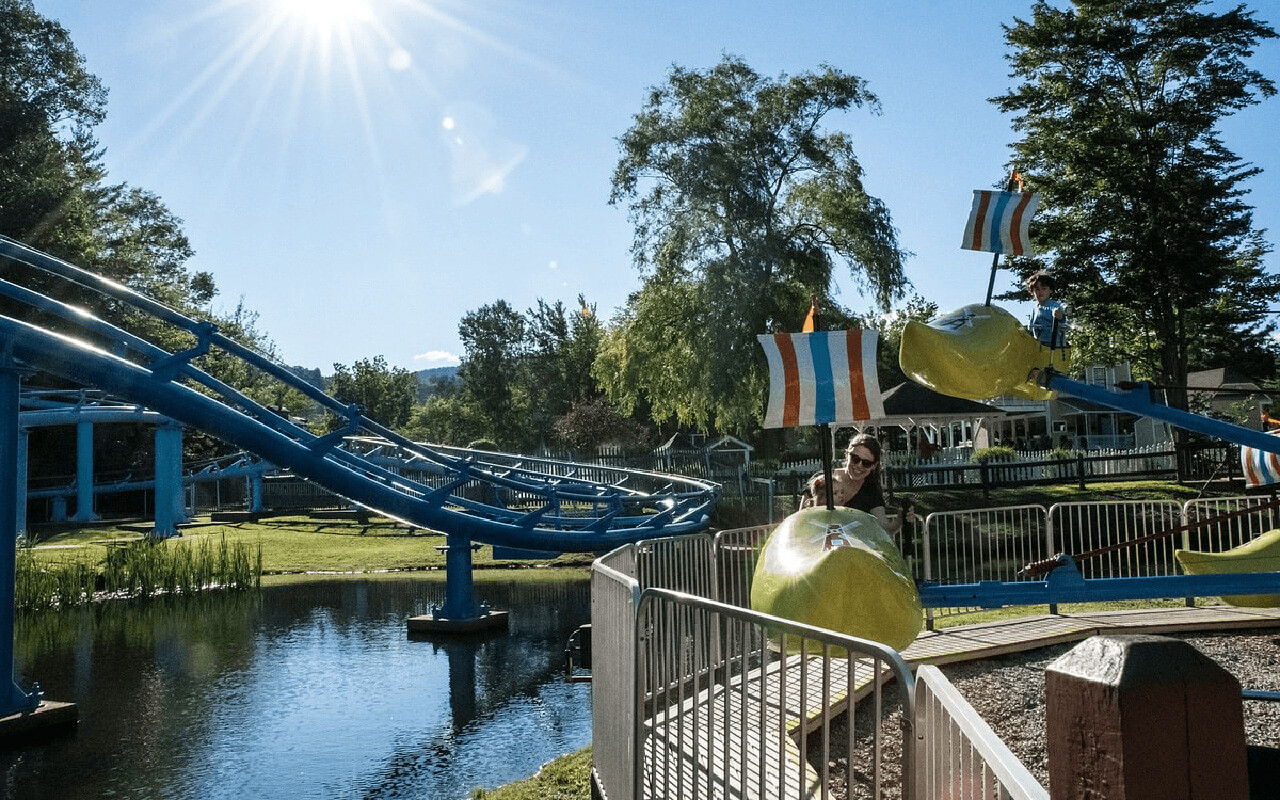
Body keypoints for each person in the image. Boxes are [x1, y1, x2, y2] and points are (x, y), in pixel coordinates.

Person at [800, 433, 917, 534]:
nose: (859, 465)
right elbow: (800, 521)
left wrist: (900, 519)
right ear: (847, 455)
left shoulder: (871, 491)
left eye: (866, 463)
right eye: (855, 458)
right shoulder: (821, 480)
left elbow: (885, 529)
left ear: (874, 466)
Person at [1025, 270, 1068, 348]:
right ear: (1032, 291)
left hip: (1053, 345)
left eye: (1044, 288)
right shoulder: (1035, 309)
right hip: (1039, 344)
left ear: (1050, 290)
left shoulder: (1053, 305)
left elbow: (1061, 317)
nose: (1040, 292)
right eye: (1037, 289)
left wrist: (1059, 315)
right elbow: (1031, 327)